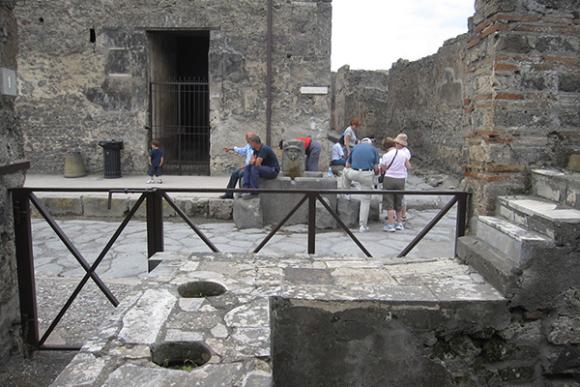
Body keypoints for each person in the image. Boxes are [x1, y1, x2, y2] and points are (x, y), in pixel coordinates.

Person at [341, 137, 380, 233]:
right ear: (370, 143)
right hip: (367, 174)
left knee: (345, 172)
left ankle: (346, 193)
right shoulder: (374, 150)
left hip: (354, 173)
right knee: (365, 200)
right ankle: (363, 226)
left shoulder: (355, 147)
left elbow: (347, 165)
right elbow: (376, 169)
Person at [380, 133, 412, 232]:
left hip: (389, 178)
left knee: (389, 202)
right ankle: (399, 223)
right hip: (401, 179)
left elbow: (383, 168)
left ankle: (390, 225)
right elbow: (409, 167)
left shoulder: (386, 155)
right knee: (399, 201)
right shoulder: (404, 154)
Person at [220, 131, 256, 199]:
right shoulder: (249, 146)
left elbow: (254, 162)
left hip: (252, 168)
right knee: (234, 173)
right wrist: (231, 148)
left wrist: (246, 167)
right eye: (247, 139)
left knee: (240, 173)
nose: (247, 141)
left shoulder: (256, 147)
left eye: (248, 139)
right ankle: (229, 193)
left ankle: (242, 192)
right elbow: (242, 150)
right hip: (246, 167)